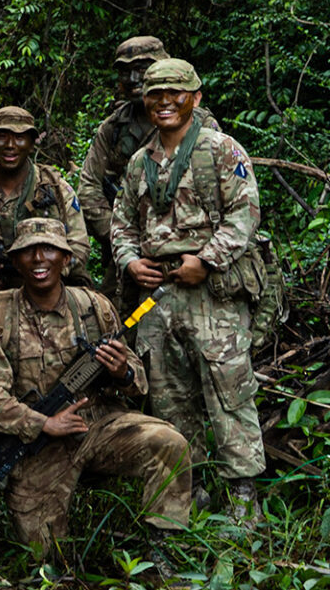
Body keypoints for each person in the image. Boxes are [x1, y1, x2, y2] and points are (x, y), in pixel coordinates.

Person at [0, 218, 190, 561]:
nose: (39, 259)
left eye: (49, 249)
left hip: (98, 426)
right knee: (44, 556)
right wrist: (43, 424)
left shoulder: (93, 306)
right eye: (28, 251)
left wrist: (122, 372)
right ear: (15, 261)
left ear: (66, 259)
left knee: (168, 444)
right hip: (37, 443)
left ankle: (164, 552)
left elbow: (138, 381)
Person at [111, 58, 265, 524]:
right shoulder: (140, 161)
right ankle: (188, 493)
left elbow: (246, 214)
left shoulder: (221, 149)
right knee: (168, 397)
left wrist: (208, 259)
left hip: (211, 292)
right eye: (155, 95)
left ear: (195, 98)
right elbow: (121, 223)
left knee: (229, 391)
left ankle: (243, 498)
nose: (164, 102)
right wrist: (131, 261)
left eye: (175, 94)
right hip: (158, 298)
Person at [78, 37, 218, 268]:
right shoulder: (114, 127)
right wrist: (123, 241)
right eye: (125, 72)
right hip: (132, 251)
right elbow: (89, 188)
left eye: (141, 70)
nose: (133, 79)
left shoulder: (199, 124)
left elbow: (224, 196)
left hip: (195, 252)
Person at [0, 106, 90, 290]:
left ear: (31, 143)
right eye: (2, 136)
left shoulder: (54, 188)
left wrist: (44, 273)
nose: (10, 145)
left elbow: (79, 245)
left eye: (19, 138)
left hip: (51, 288)